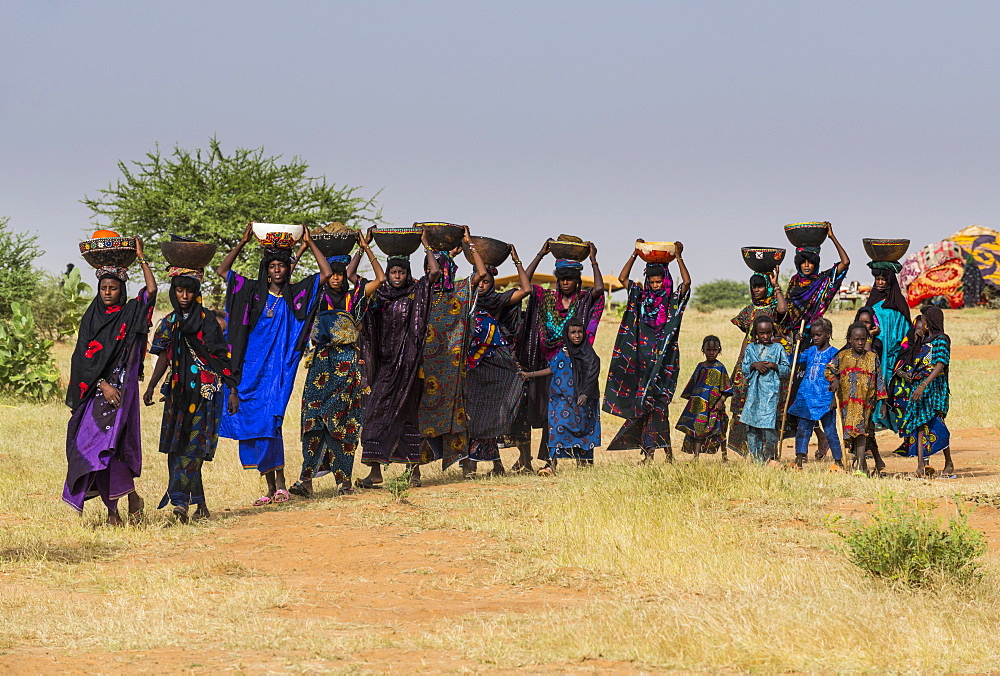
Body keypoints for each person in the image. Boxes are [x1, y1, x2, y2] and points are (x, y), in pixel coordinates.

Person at [216, 223, 331, 506]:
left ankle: (280, 483)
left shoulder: (298, 294)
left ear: (288, 268)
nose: (278, 270)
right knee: (254, 425)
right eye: (273, 266)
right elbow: (223, 271)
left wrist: (309, 241)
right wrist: (242, 242)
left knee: (271, 422)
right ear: (266, 269)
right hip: (248, 369)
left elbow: (326, 273)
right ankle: (270, 487)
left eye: (282, 265)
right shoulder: (251, 293)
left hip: (277, 370)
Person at [64, 237, 156, 526]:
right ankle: (129, 499)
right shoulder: (90, 318)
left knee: (113, 446)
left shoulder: (131, 311)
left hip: (123, 390)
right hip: (97, 391)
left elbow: (151, 291)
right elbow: (82, 359)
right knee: (93, 446)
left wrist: (141, 257)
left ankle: (114, 512)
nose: (107, 292)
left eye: (113, 287)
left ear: (121, 289)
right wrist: (102, 383)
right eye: (103, 287)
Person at [291, 227, 385, 497]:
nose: (335, 277)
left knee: (344, 422)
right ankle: (305, 480)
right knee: (313, 421)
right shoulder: (316, 298)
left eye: (340, 273)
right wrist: (304, 245)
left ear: (346, 275)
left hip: (347, 364)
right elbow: (294, 279)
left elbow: (379, 277)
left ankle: (345, 482)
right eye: (331, 273)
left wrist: (365, 247)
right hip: (320, 363)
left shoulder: (354, 298)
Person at [143, 266, 238, 522]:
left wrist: (233, 391)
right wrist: (151, 385)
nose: (184, 295)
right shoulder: (170, 322)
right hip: (178, 393)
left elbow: (221, 357)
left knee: (193, 447)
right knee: (178, 447)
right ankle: (201, 503)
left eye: (189, 290)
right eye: (179, 290)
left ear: (196, 293)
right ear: (174, 292)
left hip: (206, 393)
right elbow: (163, 355)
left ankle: (180, 502)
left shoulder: (208, 320)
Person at [516, 237, 604, 473]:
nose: (565, 282)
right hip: (548, 366)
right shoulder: (545, 300)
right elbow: (524, 283)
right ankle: (549, 461)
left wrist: (594, 261)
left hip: (576, 367)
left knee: (580, 411)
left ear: (577, 281)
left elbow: (599, 289)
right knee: (550, 415)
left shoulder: (584, 302)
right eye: (562, 278)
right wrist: (540, 254)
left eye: (570, 279)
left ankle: (584, 461)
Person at [356, 230, 435, 488]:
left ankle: (414, 473)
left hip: (409, 367)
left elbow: (433, 273)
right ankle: (375, 471)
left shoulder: (416, 292)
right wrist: (364, 247)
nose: (397, 276)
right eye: (393, 272)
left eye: (401, 272)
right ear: (387, 274)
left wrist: (425, 244)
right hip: (384, 367)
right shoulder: (379, 295)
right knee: (374, 414)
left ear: (407, 272)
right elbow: (350, 279)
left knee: (408, 416)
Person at [604, 241, 691, 463]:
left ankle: (666, 453)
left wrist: (678, 257)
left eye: (658, 281)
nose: (654, 285)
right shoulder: (640, 296)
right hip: (642, 359)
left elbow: (687, 282)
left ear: (665, 280)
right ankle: (650, 453)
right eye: (651, 281)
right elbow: (622, 279)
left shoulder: (672, 300)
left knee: (661, 406)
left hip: (665, 360)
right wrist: (634, 254)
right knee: (644, 404)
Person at [465, 245, 531, 477]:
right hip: (471, 365)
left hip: (495, 363)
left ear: (492, 282)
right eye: (479, 281)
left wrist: (517, 261)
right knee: (472, 411)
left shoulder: (497, 301)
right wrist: (468, 243)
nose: (482, 286)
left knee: (492, 411)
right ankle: (471, 465)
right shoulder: (463, 300)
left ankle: (496, 465)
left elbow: (526, 289)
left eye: (486, 282)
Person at [520, 318, 601, 471]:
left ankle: (584, 464)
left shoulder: (588, 353)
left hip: (581, 400)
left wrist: (585, 394)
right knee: (557, 428)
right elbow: (552, 369)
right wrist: (530, 374)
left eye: (579, 332)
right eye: (573, 332)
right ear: (567, 334)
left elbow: (593, 374)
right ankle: (551, 464)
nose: (577, 336)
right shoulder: (562, 351)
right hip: (561, 400)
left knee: (582, 431)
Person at [727, 269, 786, 456]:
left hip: (769, 367)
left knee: (767, 408)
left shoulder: (772, 308)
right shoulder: (748, 310)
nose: (756, 290)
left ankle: (768, 452)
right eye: (754, 286)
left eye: (760, 286)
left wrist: (775, 285)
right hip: (748, 360)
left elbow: (783, 310)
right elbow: (748, 336)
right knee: (743, 405)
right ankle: (749, 452)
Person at [825, 323, 888, 475]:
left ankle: (860, 465)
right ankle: (862, 465)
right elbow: (829, 370)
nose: (860, 343)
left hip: (866, 403)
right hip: (847, 403)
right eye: (856, 339)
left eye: (863, 339)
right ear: (850, 340)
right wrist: (834, 381)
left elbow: (879, 379)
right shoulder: (842, 356)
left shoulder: (872, 358)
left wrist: (883, 402)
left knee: (861, 431)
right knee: (851, 433)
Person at [898, 306, 953, 477]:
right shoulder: (925, 341)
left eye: (923, 320)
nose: (921, 324)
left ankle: (948, 463)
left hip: (933, 388)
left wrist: (924, 385)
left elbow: (940, 364)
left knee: (936, 424)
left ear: (930, 322)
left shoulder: (941, 340)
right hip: (919, 388)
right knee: (919, 425)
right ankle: (921, 466)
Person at [786, 318, 843, 470]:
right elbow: (793, 360)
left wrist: (833, 397)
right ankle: (799, 458)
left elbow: (838, 376)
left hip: (825, 399)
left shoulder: (835, 354)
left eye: (819, 335)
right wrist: (794, 345)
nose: (815, 338)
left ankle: (838, 460)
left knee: (830, 431)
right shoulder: (810, 351)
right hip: (807, 397)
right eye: (813, 335)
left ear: (828, 334)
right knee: (803, 430)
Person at [784, 222, 850, 339]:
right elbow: (786, 312)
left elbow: (845, 262)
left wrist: (832, 237)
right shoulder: (794, 282)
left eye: (810, 262)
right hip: (792, 336)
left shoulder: (823, 281)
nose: (806, 265)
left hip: (814, 335)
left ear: (816, 264)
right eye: (803, 262)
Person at [865, 262, 912, 430]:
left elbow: (907, 333)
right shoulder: (871, 303)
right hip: (872, 354)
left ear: (890, 281)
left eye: (883, 279)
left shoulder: (896, 307)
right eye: (877, 279)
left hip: (891, 359)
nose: (880, 283)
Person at [739, 317, 791, 464]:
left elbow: (787, 370)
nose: (766, 336)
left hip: (770, 394)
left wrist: (774, 366)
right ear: (756, 333)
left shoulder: (778, 348)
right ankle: (756, 460)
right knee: (752, 428)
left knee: (769, 428)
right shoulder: (750, 349)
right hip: (753, 394)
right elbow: (743, 368)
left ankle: (770, 458)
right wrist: (754, 365)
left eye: (769, 333)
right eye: (762, 333)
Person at [675, 335, 731, 459]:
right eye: (708, 350)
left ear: (719, 350)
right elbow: (693, 384)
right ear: (703, 350)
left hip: (715, 406)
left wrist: (721, 401)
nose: (711, 353)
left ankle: (724, 456)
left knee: (720, 430)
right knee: (697, 430)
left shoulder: (720, 368)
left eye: (715, 350)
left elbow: (727, 388)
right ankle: (696, 457)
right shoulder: (701, 366)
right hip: (699, 406)